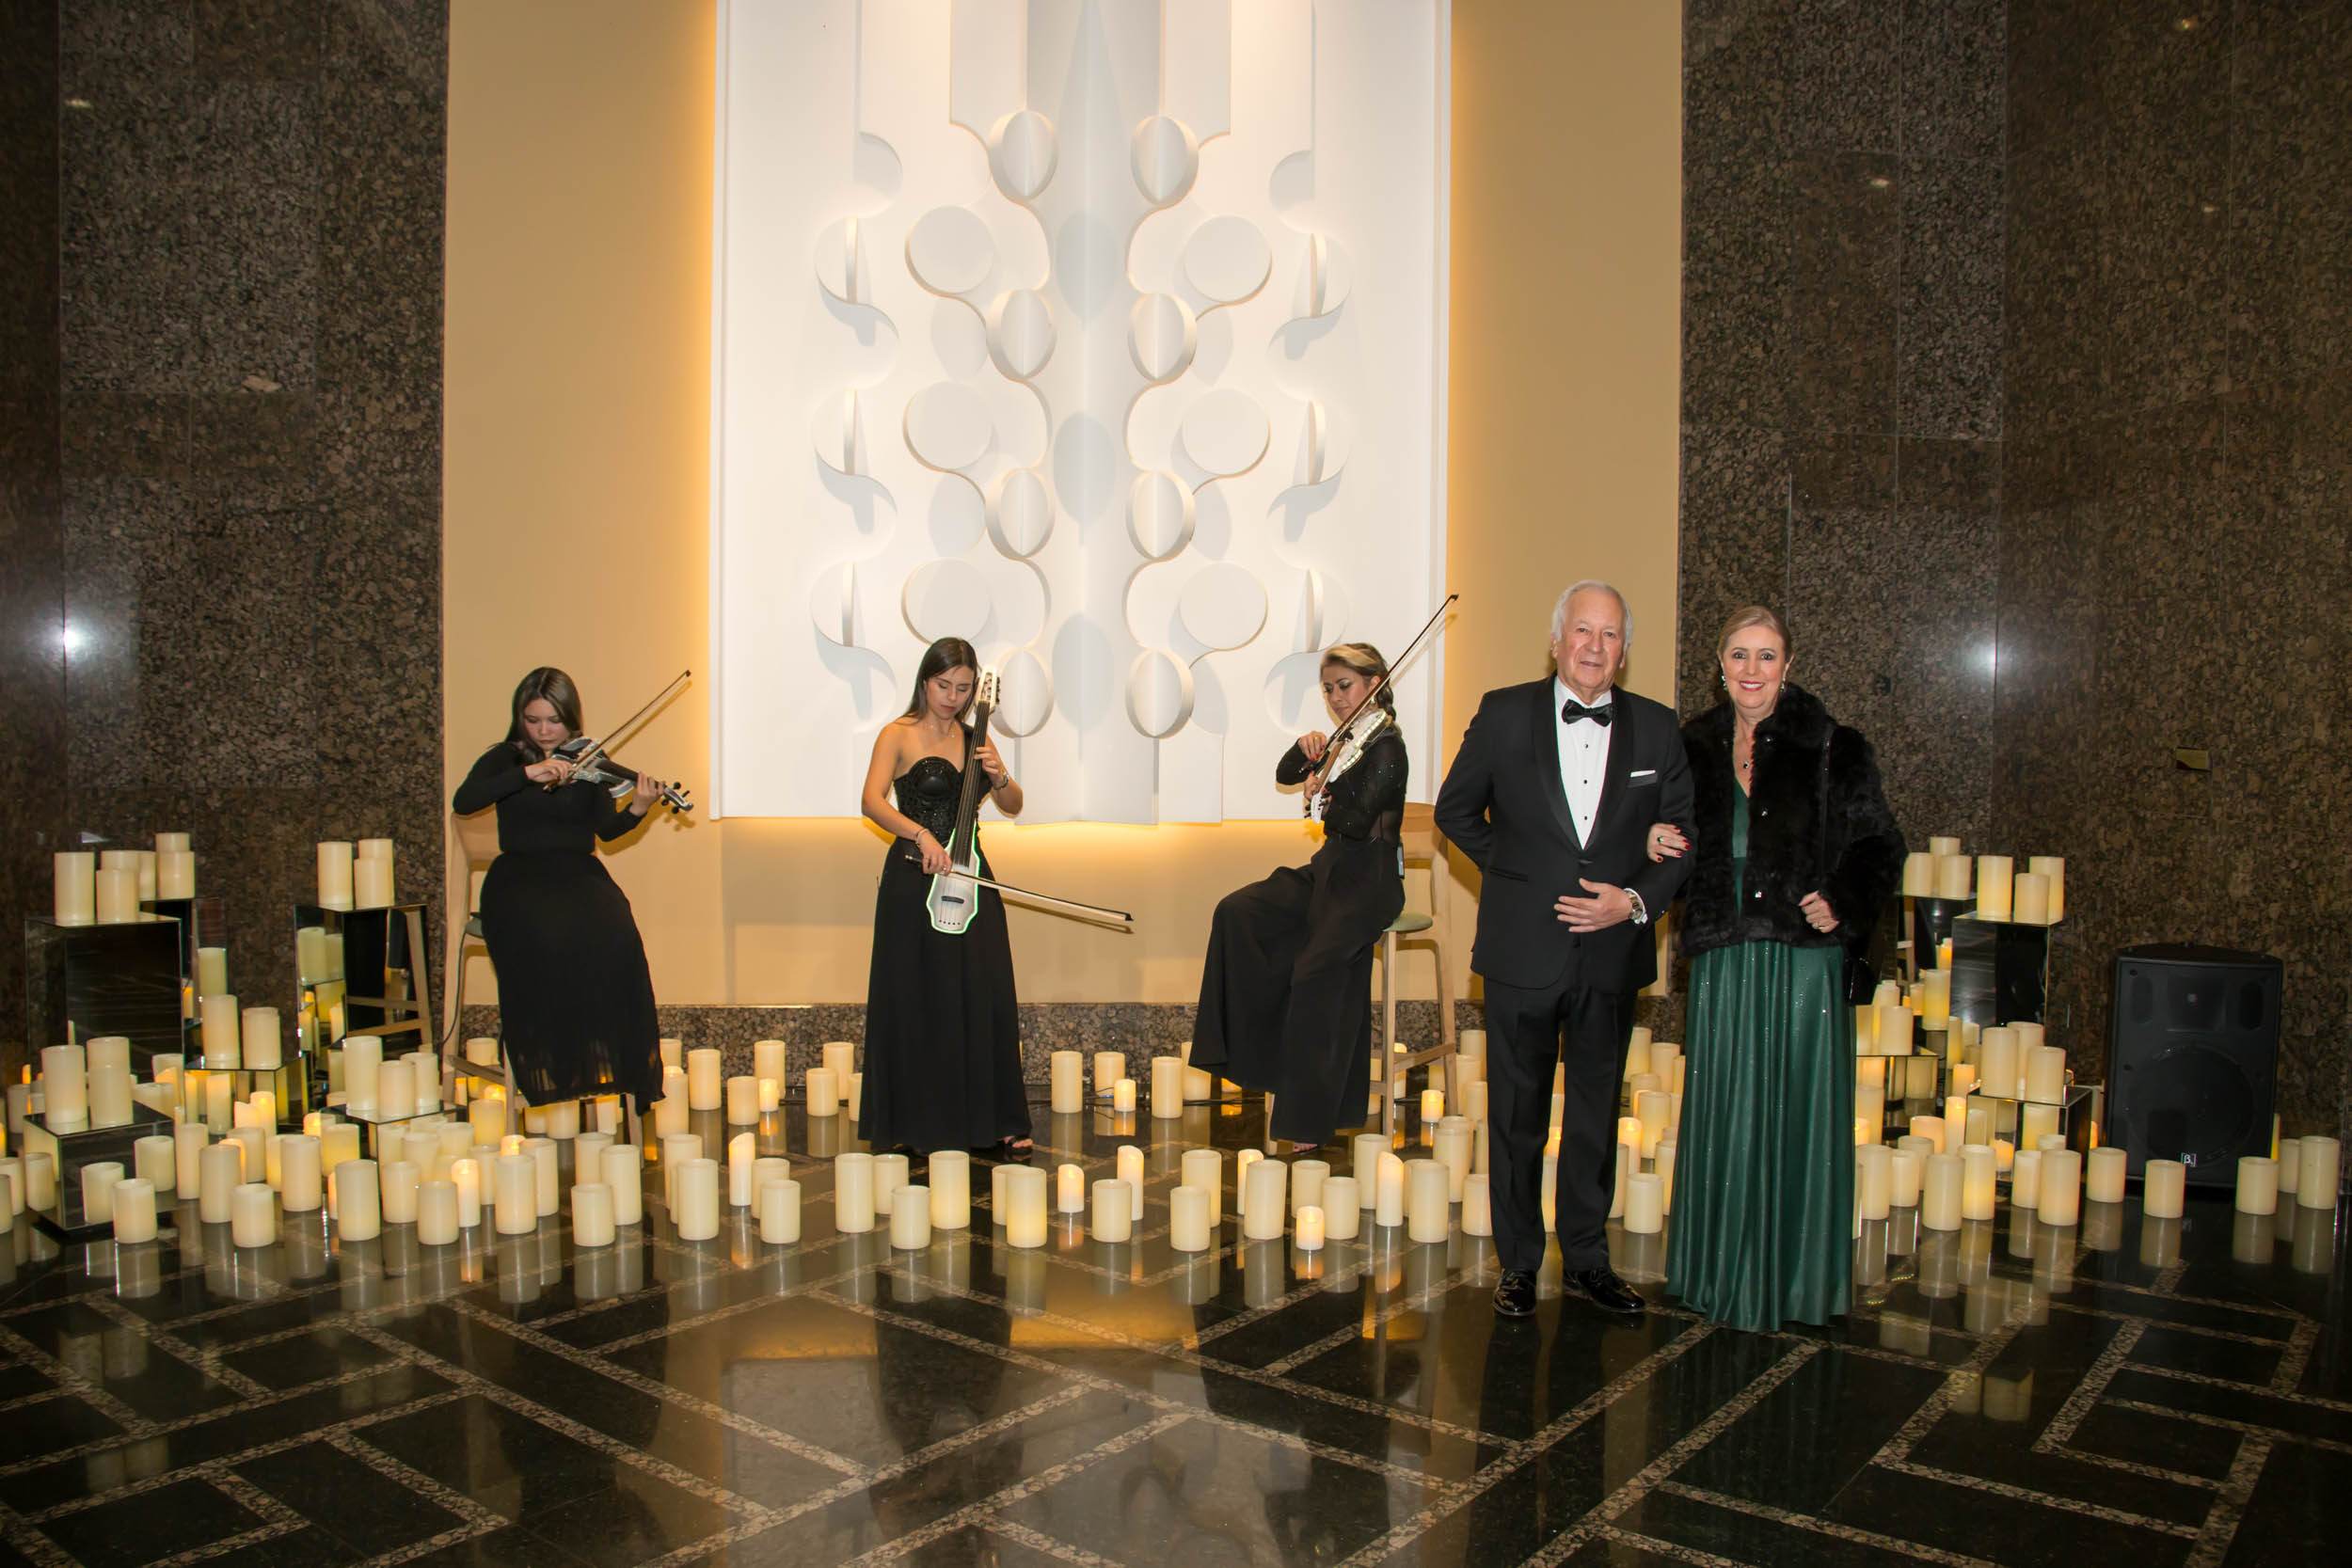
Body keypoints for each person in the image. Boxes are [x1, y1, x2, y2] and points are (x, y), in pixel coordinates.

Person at [1433, 581, 1694, 1321]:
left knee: (1594, 1115)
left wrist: (1631, 899)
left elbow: (1680, 837)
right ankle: (1518, 1261)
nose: (1594, 646)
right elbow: (1455, 809)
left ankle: (1586, 1258)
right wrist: (1517, 875)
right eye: (1583, 630)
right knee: (1515, 1113)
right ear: (1556, 640)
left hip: (1612, 950)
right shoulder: (1503, 712)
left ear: (1624, 650)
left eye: (1610, 634)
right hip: (1523, 947)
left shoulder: (1657, 727)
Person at [1646, 606, 1903, 1331]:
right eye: (1739, 654)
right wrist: (1652, 835)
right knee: (1726, 1108)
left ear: (1788, 665)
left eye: (1766, 655)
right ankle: (1717, 1273)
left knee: (1796, 1113)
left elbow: (1881, 844)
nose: (1751, 669)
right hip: (1724, 956)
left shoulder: (1834, 745)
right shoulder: (1690, 744)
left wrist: (1842, 899)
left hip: (1801, 960)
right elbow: (1662, 827)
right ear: (1719, 665)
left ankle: (1794, 1283)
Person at [1191, 643, 1408, 1150]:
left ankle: (1308, 1120)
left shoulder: (1386, 745)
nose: (1336, 697)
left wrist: (1322, 794)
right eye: (1329, 689)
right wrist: (1305, 750)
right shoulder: (1345, 738)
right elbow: (1284, 775)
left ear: (1374, 684)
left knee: (1313, 970)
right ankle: (1263, 1064)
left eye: (1345, 686)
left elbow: (1357, 821)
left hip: (1369, 882)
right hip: (1329, 870)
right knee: (1239, 911)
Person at [452, 667, 670, 1126]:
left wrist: (638, 807)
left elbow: (606, 831)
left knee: (618, 934)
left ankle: (614, 1064)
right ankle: (550, 1065)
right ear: (520, 717)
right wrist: (526, 773)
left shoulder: (588, 759)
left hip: (578, 875)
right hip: (518, 879)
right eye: (533, 720)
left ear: (570, 718)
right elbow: (465, 801)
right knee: (547, 936)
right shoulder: (505, 758)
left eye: (554, 721)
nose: (545, 731)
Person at [858, 637, 1031, 1156]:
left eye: (963, 688)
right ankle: (915, 1122)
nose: (952, 698)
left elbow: (1014, 803)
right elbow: (871, 802)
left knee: (981, 989)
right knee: (916, 993)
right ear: (925, 681)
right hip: (914, 876)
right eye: (943, 686)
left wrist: (1001, 775)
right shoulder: (898, 734)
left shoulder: (977, 738)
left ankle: (994, 1118)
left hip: (969, 875)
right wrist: (920, 835)